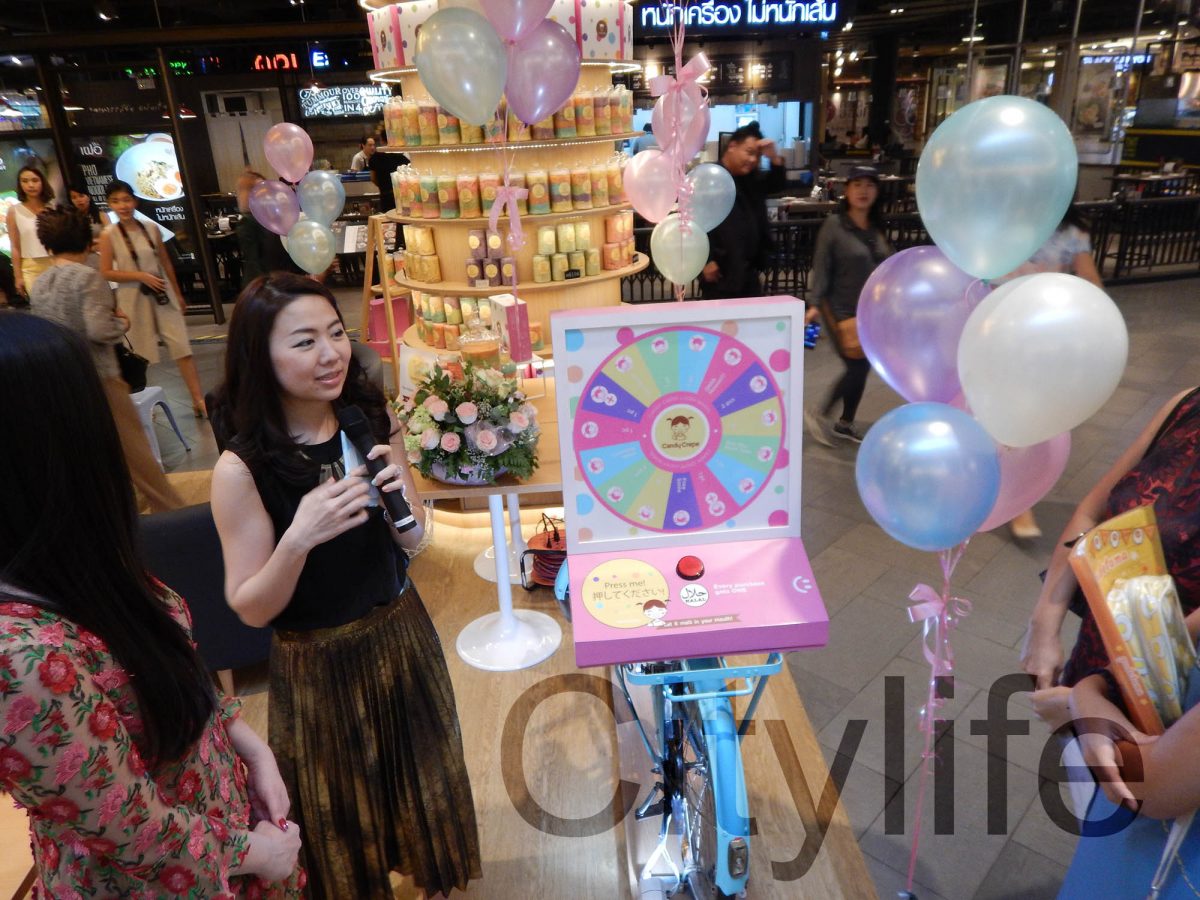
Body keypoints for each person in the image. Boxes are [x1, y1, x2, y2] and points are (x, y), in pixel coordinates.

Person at [0, 312, 304, 897]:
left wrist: (248, 745)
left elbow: (169, 664)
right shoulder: (18, 656)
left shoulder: (75, 558)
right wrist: (259, 853)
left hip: (225, 829)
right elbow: (130, 828)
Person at [208, 273, 480, 899]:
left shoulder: (368, 419)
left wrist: (401, 509)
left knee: (423, 780)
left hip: (401, 634)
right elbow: (251, 608)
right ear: (260, 356)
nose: (330, 354)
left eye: (335, 333)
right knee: (341, 816)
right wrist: (299, 538)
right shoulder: (243, 467)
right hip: (318, 663)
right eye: (304, 341)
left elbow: (414, 541)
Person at [1020, 385, 1200, 715]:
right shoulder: (1187, 405)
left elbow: (1173, 645)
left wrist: (1089, 696)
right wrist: (1043, 624)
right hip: (1095, 663)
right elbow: (1093, 512)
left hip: (1167, 703)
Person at [30, 207, 184, 513]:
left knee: (88, 459)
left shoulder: (41, 282)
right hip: (100, 377)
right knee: (138, 456)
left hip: (60, 380)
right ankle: (173, 516)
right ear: (86, 242)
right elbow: (99, 329)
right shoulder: (88, 276)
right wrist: (121, 323)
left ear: (47, 244)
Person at [998, 206, 1105, 540]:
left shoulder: (1071, 232)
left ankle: (1015, 492)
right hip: (1001, 330)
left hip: (1047, 337)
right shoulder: (1003, 223)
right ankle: (1017, 501)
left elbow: (1089, 279)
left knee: (1034, 417)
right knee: (1011, 414)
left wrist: (1095, 318)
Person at [99, 179, 207, 417]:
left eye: (126, 200)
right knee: (140, 353)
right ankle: (143, 401)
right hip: (132, 295)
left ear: (135, 201)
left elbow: (165, 262)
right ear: (110, 205)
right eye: (116, 201)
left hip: (161, 292)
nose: (123, 206)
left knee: (181, 345)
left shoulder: (151, 228)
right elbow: (106, 271)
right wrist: (140, 276)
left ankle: (198, 399)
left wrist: (177, 293)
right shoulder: (109, 235)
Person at [804, 164, 893, 445]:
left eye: (869, 185)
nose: (863, 191)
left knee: (862, 366)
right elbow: (821, 265)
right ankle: (819, 412)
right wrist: (814, 304)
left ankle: (845, 423)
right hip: (837, 309)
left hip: (868, 311)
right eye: (857, 185)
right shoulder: (834, 226)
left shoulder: (875, 227)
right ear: (847, 190)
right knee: (856, 366)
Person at [699, 122, 788, 300]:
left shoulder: (751, 179)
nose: (753, 160)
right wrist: (704, 261)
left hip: (748, 270)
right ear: (732, 146)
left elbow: (777, 184)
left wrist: (774, 158)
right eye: (749, 152)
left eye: (757, 156)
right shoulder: (710, 177)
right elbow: (694, 222)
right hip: (719, 272)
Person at [6, 165, 54, 301]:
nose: (30, 185)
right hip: (30, 267)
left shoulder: (53, 208)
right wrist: (18, 276)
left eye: (35, 180)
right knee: (40, 306)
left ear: (42, 182)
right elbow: (15, 246)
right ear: (20, 184)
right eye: (25, 181)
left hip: (54, 262)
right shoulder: (14, 211)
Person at [67, 182, 104, 266]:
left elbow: (112, 236)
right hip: (81, 259)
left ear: (89, 196)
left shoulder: (101, 215)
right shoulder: (70, 219)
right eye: (74, 197)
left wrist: (94, 242)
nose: (78, 200)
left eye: (81, 196)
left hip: (102, 254)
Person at [367, 137, 407, 214]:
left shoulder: (374, 158)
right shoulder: (400, 156)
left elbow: (373, 178)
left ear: (382, 140)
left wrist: (382, 186)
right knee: (402, 216)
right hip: (401, 195)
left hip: (385, 195)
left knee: (388, 217)